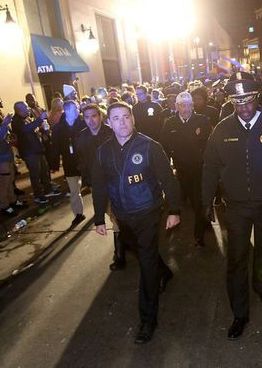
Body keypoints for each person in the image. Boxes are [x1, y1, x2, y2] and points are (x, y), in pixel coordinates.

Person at [202, 72, 262, 340]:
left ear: (256, 98)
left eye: (248, 101)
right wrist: (206, 200)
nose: (243, 108)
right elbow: (210, 166)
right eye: (237, 102)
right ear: (231, 101)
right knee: (236, 259)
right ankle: (240, 313)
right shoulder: (221, 129)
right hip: (235, 207)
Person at [92, 102, 181, 344]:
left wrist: (174, 209)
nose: (122, 122)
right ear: (108, 123)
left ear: (133, 119)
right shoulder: (103, 152)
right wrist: (99, 216)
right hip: (122, 215)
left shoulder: (150, 146)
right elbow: (99, 186)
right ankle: (164, 271)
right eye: (116, 118)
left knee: (146, 264)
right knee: (141, 252)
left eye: (126, 117)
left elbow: (168, 180)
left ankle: (148, 320)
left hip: (148, 213)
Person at [76, 103, 124, 270]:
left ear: (100, 116)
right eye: (87, 117)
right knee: (113, 216)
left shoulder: (111, 132)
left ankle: (120, 255)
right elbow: (82, 162)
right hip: (98, 186)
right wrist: (87, 181)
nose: (90, 120)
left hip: (116, 183)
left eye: (93, 116)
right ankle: (124, 247)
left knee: (116, 218)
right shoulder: (81, 138)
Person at [161, 92, 212, 246]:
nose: (186, 108)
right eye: (182, 105)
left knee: (198, 200)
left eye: (189, 105)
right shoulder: (169, 123)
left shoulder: (202, 121)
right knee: (185, 199)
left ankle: (199, 233)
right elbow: (163, 146)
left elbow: (209, 145)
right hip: (180, 170)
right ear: (176, 106)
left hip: (198, 168)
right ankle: (202, 219)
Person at [12, 102, 61, 204]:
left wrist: (39, 128)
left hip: (36, 149)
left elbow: (31, 129)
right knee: (35, 174)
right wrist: (40, 119)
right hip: (29, 152)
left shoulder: (25, 118)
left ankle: (48, 190)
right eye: (26, 108)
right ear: (19, 110)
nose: (28, 110)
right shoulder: (16, 121)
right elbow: (25, 129)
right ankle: (38, 195)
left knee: (44, 170)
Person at [50, 100, 86, 226]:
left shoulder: (83, 123)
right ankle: (78, 214)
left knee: (95, 188)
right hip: (70, 163)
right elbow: (54, 147)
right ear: (68, 110)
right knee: (74, 190)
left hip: (85, 162)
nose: (78, 111)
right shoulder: (58, 128)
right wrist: (54, 165)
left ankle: (100, 212)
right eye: (75, 108)